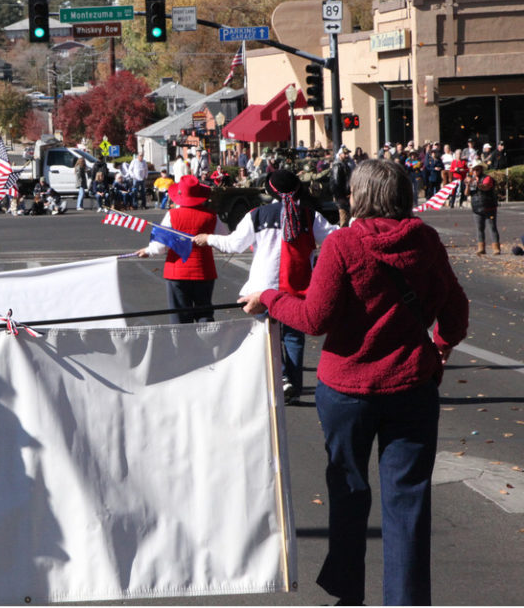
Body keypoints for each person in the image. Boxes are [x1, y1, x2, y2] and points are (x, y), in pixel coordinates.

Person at [236, 159, 468, 606]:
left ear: (357, 196)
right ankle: (406, 600)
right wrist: (441, 345)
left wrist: (268, 297)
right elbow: (455, 311)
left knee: (347, 488)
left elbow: (314, 317)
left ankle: (347, 591)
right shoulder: (426, 240)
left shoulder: (344, 245)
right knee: (408, 501)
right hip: (412, 386)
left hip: (346, 389)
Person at [195, 169, 337, 404]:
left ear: (269, 190)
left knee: (266, 332)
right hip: (298, 287)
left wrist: (208, 238)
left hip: (263, 288)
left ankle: (281, 377)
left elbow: (234, 244)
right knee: (294, 337)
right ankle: (294, 384)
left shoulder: (257, 215)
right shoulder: (309, 216)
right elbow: (333, 237)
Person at [137, 176, 228, 323]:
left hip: (177, 271)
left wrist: (148, 251)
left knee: (179, 317)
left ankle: (183, 345)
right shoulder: (211, 216)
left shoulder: (172, 215)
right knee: (204, 314)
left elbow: (161, 244)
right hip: (203, 270)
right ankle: (207, 344)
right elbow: (224, 241)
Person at [466, 161, 500, 255]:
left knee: (492, 227)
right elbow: (467, 193)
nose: (475, 171)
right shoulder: (471, 180)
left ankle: (496, 248)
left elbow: (485, 187)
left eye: (477, 169)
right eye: (474, 170)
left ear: (481, 169)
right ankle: (481, 248)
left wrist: (476, 183)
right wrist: (468, 185)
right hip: (477, 207)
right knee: (479, 228)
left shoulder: (487, 178)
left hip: (489, 206)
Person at [329, 146, 353, 227]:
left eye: (347, 154)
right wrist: (339, 197)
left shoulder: (345, 164)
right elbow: (336, 183)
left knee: (348, 218)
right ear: (340, 154)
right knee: (344, 218)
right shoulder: (338, 165)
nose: (347, 155)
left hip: (346, 195)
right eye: (345, 154)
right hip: (341, 197)